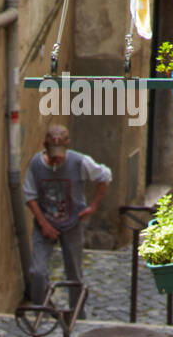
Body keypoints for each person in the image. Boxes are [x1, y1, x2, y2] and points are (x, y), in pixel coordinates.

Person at [23, 125, 111, 305]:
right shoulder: (35, 164)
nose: (57, 160)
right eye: (53, 156)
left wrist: (93, 206)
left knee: (74, 273)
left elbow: (105, 176)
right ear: (45, 147)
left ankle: (77, 314)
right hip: (45, 223)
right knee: (37, 272)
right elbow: (29, 196)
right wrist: (44, 224)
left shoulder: (80, 162)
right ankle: (41, 309)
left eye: (60, 155)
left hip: (72, 223)